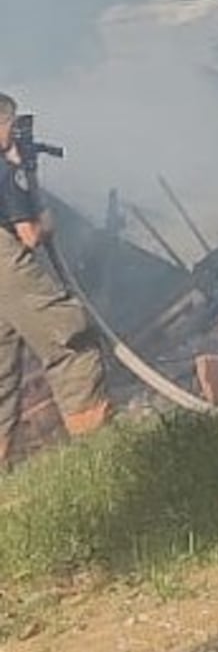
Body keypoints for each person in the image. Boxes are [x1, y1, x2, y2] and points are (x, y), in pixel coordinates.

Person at [0, 93, 115, 468]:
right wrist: (35, 198)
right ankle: (98, 457)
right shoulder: (6, 170)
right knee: (70, 339)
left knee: (1, 374)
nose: (13, 133)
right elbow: (31, 235)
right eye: (10, 124)